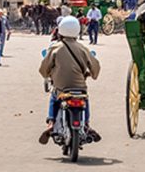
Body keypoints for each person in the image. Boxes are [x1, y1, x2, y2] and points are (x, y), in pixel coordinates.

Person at [38, 16, 101, 144]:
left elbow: (43, 69)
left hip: (61, 87)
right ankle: (87, 124)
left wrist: (49, 74)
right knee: (84, 99)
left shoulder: (55, 48)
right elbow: (96, 67)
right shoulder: (83, 48)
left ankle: (51, 123)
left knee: (54, 97)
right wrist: (92, 74)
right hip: (79, 87)